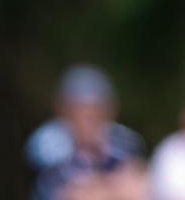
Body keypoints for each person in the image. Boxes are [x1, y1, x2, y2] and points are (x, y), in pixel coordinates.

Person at [24, 65, 147, 200]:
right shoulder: (46, 142)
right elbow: (69, 193)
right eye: (80, 109)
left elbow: (139, 184)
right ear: (64, 111)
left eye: (96, 110)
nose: (88, 117)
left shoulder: (124, 139)